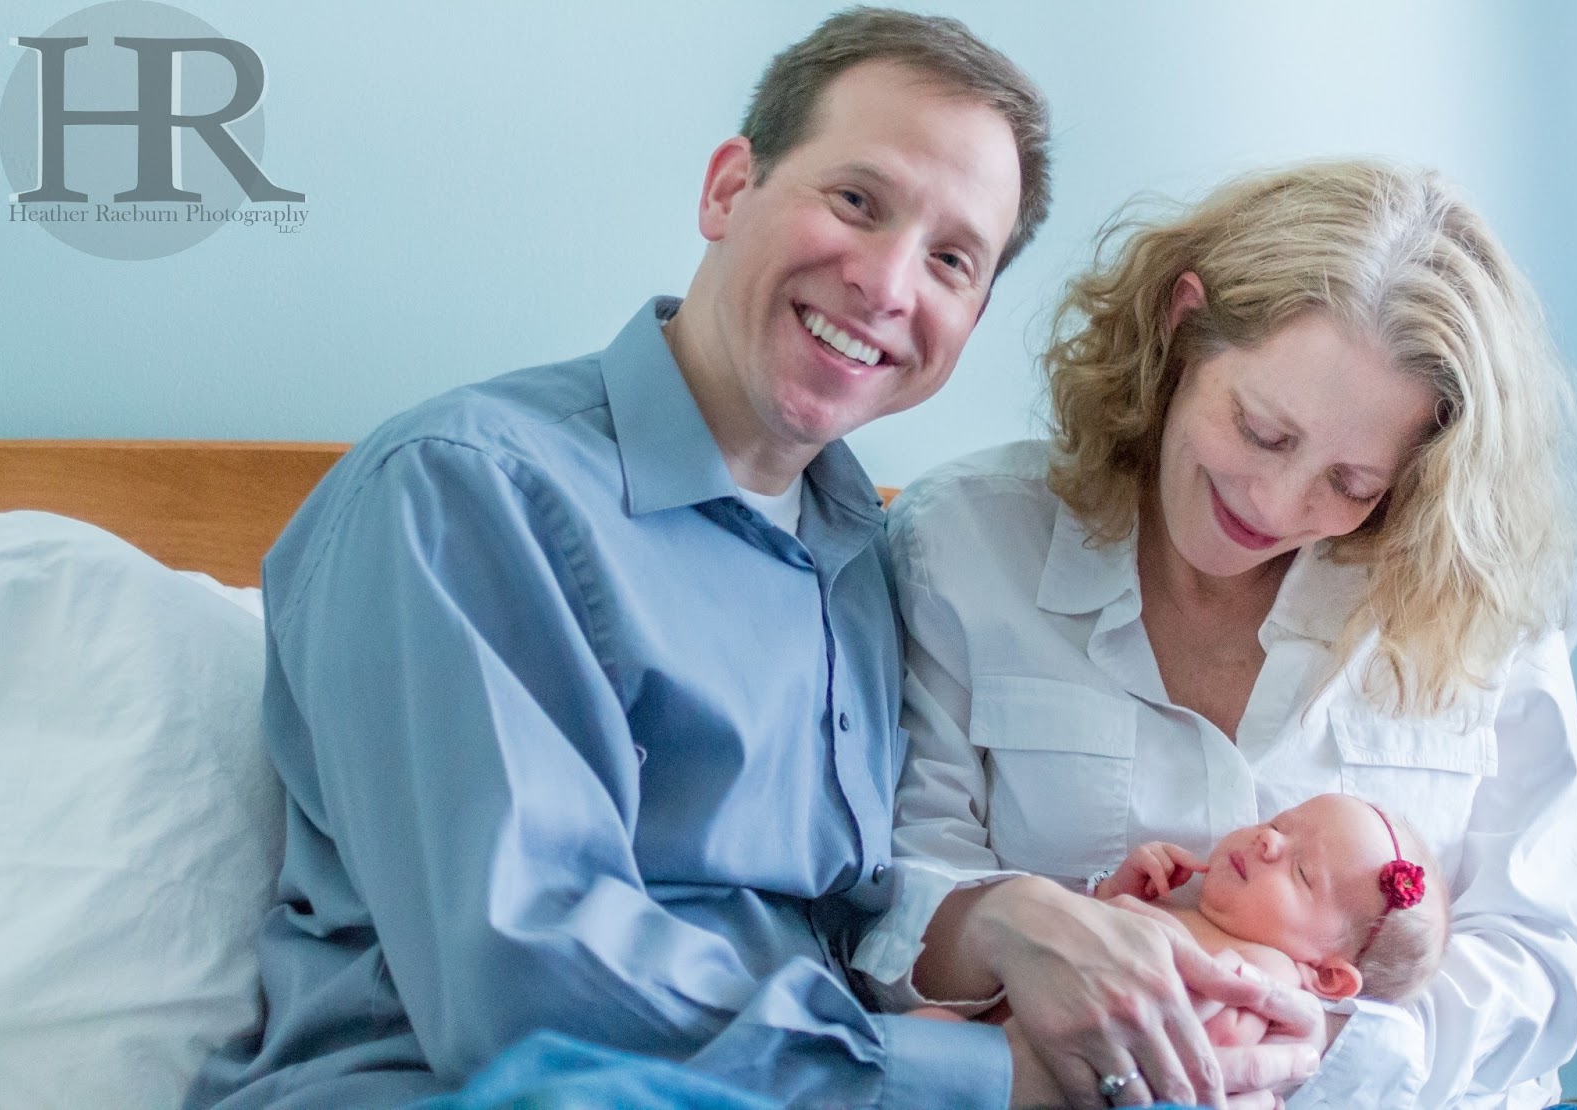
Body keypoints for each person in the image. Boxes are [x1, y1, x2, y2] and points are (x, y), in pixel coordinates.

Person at [188, 10, 1317, 1110]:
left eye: (951, 260)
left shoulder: (869, 559)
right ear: (729, 189)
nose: (888, 286)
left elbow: (843, 934)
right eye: (856, 201)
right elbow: (525, 981)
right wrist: (994, 1079)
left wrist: (1057, 950)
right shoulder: (465, 491)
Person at [849, 159, 1577, 1109]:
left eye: (1352, 484)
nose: (1275, 505)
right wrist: (1017, 925)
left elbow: (1543, 959)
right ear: (1182, 327)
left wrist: (1309, 1043)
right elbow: (889, 902)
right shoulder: (968, 541)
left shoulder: (1479, 598)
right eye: (1261, 431)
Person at [1091, 794, 1451, 1028]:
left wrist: (1131, 914)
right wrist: (1118, 892)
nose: (1269, 839)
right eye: (1277, 824)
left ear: (1327, 976)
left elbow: (1189, 1030)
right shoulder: (1182, 905)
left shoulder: (1269, 972)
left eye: (1302, 872)